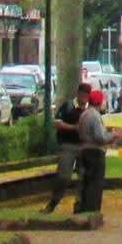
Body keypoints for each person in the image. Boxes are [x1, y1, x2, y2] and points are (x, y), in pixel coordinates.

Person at [45, 83, 90, 212]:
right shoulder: (68, 106)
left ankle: (79, 205)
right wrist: (73, 128)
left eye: (86, 96)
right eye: (82, 95)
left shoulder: (89, 109)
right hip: (68, 144)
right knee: (64, 175)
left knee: (83, 176)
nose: (83, 98)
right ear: (78, 94)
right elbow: (57, 122)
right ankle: (54, 202)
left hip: (84, 145)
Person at [75, 88, 110, 214]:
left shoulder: (85, 114)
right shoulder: (94, 116)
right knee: (95, 182)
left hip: (84, 150)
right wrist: (112, 136)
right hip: (94, 152)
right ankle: (92, 208)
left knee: (87, 181)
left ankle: (85, 207)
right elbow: (99, 137)